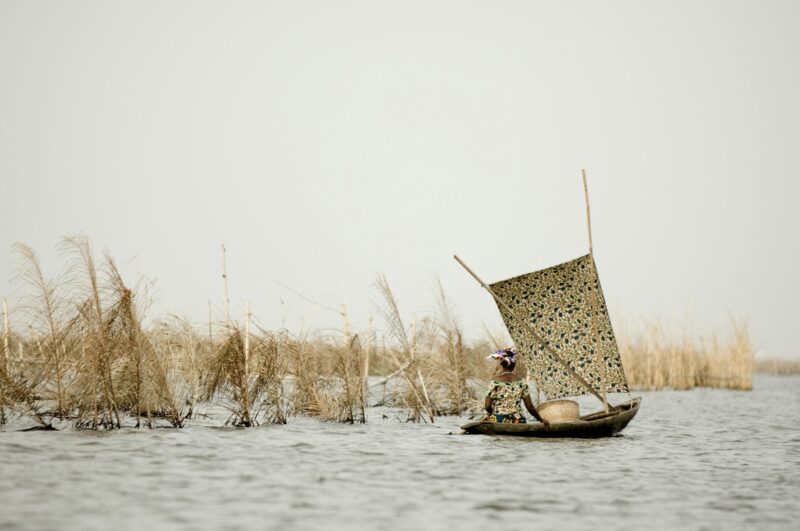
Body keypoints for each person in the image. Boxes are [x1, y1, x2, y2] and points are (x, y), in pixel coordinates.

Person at [484, 348, 549, 426]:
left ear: (501, 363)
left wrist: (490, 414)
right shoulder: (522, 382)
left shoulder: (495, 382)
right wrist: (541, 420)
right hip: (518, 420)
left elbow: (487, 406)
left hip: (499, 420)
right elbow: (530, 407)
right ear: (514, 364)